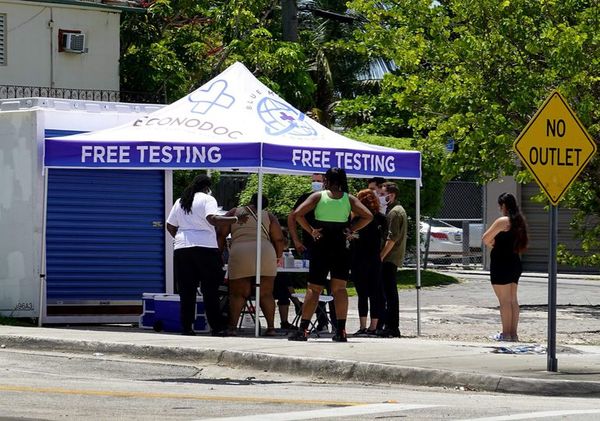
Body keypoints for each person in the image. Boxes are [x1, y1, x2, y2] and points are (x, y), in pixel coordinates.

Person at [288, 167, 373, 342]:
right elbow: (369, 216)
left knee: (314, 288)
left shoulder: (318, 196)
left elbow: (297, 214)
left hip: (322, 243)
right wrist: (351, 228)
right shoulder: (348, 199)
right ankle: (341, 331)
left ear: (326, 180)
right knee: (340, 288)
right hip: (341, 244)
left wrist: (311, 230)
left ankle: (303, 330)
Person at [166, 174, 246, 336]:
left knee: (187, 291)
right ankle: (216, 327)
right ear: (207, 187)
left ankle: (187, 327)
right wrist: (236, 219)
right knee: (210, 290)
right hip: (205, 248)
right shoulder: (208, 199)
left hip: (182, 248)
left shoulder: (181, 200)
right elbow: (213, 219)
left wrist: (182, 238)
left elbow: (170, 225)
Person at [218, 193, 285, 336]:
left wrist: (219, 252)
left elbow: (221, 234)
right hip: (265, 252)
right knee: (266, 294)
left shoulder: (234, 212)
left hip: (240, 252)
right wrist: (278, 256)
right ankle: (271, 328)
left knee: (237, 294)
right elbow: (279, 239)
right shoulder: (269, 216)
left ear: (250, 201)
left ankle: (232, 328)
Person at [287, 173, 335, 333]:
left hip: (333, 248)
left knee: (334, 287)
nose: (316, 183)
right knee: (316, 286)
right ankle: (322, 323)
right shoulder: (306, 198)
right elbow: (293, 216)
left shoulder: (336, 198)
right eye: (313, 181)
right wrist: (296, 240)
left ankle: (336, 323)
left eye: (319, 181)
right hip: (311, 247)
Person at [482, 192, 528, 342]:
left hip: (501, 262)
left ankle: (505, 334)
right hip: (514, 262)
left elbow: (486, 238)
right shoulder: (519, 222)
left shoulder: (503, 221)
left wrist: (494, 244)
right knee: (513, 299)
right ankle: (513, 334)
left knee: (504, 301)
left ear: (504, 206)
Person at [351, 189, 387, 336]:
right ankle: (374, 326)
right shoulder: (381, 219)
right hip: (374, 258)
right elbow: (384, 238)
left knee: (362, 294)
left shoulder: (356, 220)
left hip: (358, 259)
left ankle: (362, 326)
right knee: (375, 293)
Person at [377, 181, 407, 338]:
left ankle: (392, 326)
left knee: (390, 293)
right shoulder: (391, 210)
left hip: (390, 257)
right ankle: (389, 325)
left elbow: (392, 238)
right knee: (388, 292)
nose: (380, 197)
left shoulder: (395, 212)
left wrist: (381, 256)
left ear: (392, 195)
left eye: (383, 194)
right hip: (390, 257)